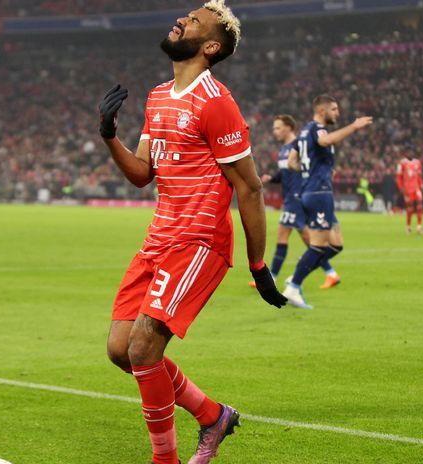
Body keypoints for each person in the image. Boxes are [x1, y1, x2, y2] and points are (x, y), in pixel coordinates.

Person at [97, 2, 287, 463]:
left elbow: (250, 186)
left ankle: (165, 460)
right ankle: (213, 415)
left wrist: (258, 264)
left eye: (194, 20)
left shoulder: (216, 102)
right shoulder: (158, 96)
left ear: (211, 46)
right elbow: (144, 173)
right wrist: (109, 135)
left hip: (198, 242)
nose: (182, 19)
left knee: (144, 347)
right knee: (121, 350)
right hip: (158, 237)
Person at [282, 95, 373, 309]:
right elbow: (325, 140)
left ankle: (296, 276)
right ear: (322, 111)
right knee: (318, 246)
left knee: (336, 244)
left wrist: (309, 170)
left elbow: (291, 161)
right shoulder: (317, 129)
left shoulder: (303, 132)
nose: (337, 113)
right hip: (318, 193)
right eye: (334, 109)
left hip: (315, 191)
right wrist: (354, 126)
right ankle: (294, 286)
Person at [252, 115, 339, 289]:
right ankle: (329, 274)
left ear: (288, 128)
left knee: (306, 240)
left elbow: (308, 170)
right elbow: (286, 175)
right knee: (295, 238)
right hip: (290, 198)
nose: (274, 131)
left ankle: (329, 274)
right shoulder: (285, 149)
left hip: (298, 199)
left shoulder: (299, 145)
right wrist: (272, 177)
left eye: (277, 128)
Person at [397, 150, 423, 234]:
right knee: (410, 208)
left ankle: (419, 226)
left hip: (416, 188)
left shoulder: (418, 162)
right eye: (409, 152)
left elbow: (419, 176)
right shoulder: (402, 163)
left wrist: (421, 185)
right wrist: (400, 187)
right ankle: (408, 226)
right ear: (406, 153)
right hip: (407, 189)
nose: (411, 153)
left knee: (420, 204)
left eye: (412, 152)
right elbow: (398, 177)